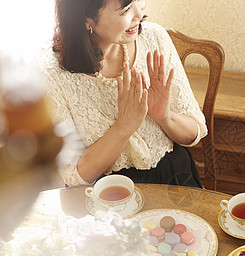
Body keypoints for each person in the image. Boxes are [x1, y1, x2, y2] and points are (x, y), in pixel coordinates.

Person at [38, 0, 207, 187]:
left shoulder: (154, 37)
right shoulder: (49, 73)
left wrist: (165, 117)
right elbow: (75, 176)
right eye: (126, 9)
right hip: (108, 195)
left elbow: (194, 132)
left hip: (175, 178)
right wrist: (124, 126)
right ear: (86, 18)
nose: (139, 14)